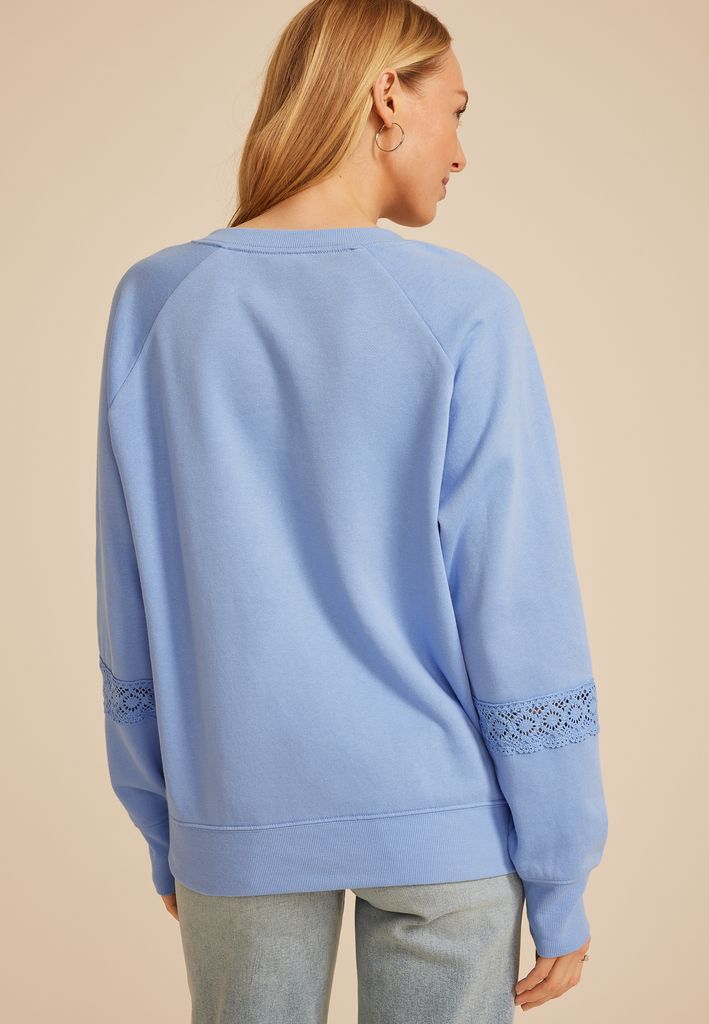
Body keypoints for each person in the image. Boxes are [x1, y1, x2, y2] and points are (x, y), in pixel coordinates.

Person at [95, 0, 608, 1020]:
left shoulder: (156, 303)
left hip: (235, 813)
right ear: (386, 99)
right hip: (444, 823)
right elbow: (516, 605)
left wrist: (168, 822)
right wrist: (559, 869)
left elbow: (131, 592)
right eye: (455, 111)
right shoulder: (464, 309)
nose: (460, 152)